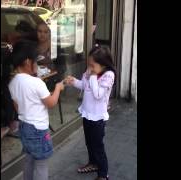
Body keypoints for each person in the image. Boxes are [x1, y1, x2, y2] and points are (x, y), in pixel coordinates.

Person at [8, 40, 65, 180]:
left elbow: (17, 107)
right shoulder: (36, 82)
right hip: (38, 129)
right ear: (28, 62)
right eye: (36, 61)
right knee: (41, 164)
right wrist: (58, 88)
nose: (37, 65)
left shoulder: (12, 83)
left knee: (29, 159)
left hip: (24, 126)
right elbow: (51, 103)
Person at [65, 45, 115, 180]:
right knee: (89, 143)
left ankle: (103, 175)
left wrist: (92, 76)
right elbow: (84, 86)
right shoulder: (91, 71)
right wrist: (74, 81)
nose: (90, 68)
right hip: (87, 114)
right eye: (89, 64)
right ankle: (93, 163)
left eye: (93, 65)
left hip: (98, 118)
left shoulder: (108, 75)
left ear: (104, 64)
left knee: (98, 146)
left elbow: (98, 94)